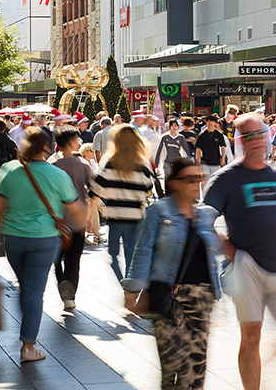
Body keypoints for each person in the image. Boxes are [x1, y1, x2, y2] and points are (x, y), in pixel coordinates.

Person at [202, 114, 276, 390]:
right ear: (238, 141)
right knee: (252, 333)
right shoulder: (224, 179)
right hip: (245, 265)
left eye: (258, 134)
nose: (255, 141)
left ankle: (264, 374)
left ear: (266, 135)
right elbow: (202, 223)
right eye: (247, 137)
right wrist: (230, 251)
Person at [0, 127, 86, 362]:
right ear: (48, 148)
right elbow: (75, 210)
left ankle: (27, 333)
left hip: (14, 239)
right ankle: (28, 346)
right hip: (44, 239)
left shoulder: (8, 170)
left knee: (26, 287)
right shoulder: (57, 175)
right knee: (33, 290)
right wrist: (84, 222)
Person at [123, 158, 222, 390]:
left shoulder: (204, 215)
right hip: (167, 293)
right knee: (172, 363)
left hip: (201, 297)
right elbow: (143, 249)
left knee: (196, 362)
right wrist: (133, 290)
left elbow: (214, 252)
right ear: (175, 183)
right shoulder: (159, 211)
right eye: (190, 179)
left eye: (199, 178)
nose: (196, 184)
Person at [90, 124, 159, 281]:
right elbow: (149, 189)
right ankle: (129, 283)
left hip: (115, 217)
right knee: (130, 252)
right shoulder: (142, 165)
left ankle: (123, 281)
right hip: (135, 217)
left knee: (113, 254)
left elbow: (95, 191)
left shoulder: (110, 164)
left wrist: (89, 217)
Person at [52, 127, 93, 310]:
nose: (79, 142)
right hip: (78, 220)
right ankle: (70, 295)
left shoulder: (52, 167)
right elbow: (94, 189)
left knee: (56, 257)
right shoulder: (83, 165)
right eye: (77, 139)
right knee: (73, 258)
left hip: (56, 221)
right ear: (70, 143)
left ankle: (63, 283)